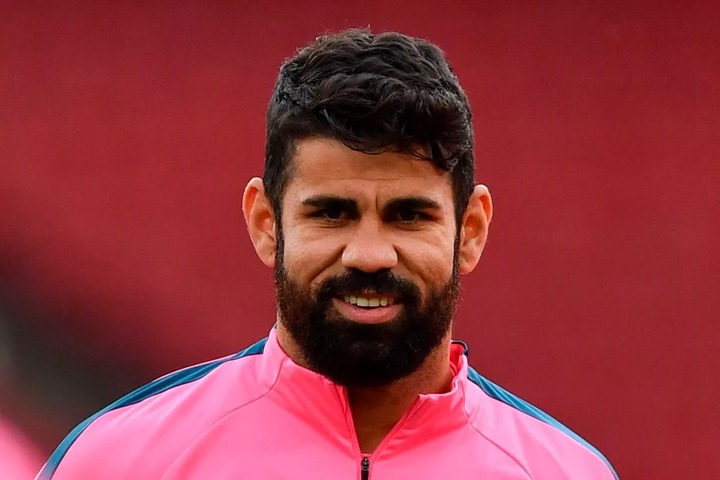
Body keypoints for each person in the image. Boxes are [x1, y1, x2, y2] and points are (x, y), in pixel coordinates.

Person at [38, 29, 618, 479]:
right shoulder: (119, 460)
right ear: (266, 223)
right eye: (331, 212)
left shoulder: (564, 472)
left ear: (470, 229)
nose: (369, 255)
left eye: (409, 215)